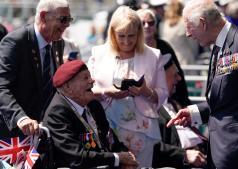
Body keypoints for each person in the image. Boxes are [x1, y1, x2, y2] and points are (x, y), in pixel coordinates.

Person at [167, 0, 238, 169]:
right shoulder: (219, 44)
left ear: (203, 23)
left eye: (189, 26)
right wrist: (194, 112)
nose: (188, 34)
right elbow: (229, 98)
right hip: (222, 146)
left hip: (237, 147)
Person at [88, 6, 168, 168]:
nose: (126, 41)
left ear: (139, 33)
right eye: (121, 36)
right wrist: (107, 92)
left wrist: (146, 91)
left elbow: (163, 93)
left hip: (142, 131)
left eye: (131, 36)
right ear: (112, 33)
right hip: (106, 125)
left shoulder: (153, 55)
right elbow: (86, 90)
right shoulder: (98, 53)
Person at [42, 60, 138, 169]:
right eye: (85, 78)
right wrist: (117, 158)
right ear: (68, 86)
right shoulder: (57, 113)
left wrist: (126, 157)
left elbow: (110, 138)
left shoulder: (93, 104)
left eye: (90, 76)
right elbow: (76, 157)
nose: (92, 81)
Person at [0, 0, 70, 139]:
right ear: (44, 16)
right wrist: (20, 118)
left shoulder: (57, 43)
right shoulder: (16, 41)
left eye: (69, 19)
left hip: (43, 131)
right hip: (15, 135)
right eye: (63, 19)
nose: (67, 24)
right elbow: (1, 86)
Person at [152, 55, 207, 168]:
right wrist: (184, 155)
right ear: (161, 78)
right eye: (175, 75)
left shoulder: (175, 104)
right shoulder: (150, 109)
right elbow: (151, 148)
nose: (179, 79)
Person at [137, 8, 191, 107]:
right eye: (142, 23)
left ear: (155, 25)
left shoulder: (164, 47)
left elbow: (178, 75)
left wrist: (183, 103)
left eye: (151, 22)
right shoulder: (132, 49)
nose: (147, 26)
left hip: (166, 99)